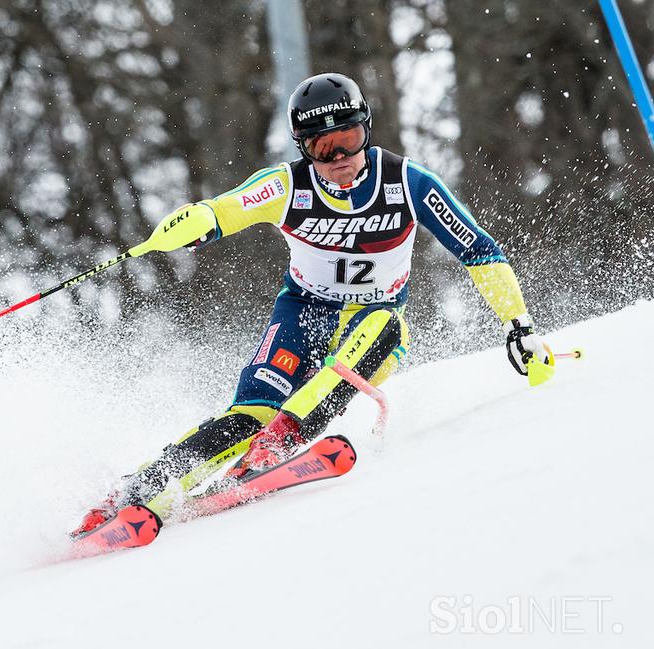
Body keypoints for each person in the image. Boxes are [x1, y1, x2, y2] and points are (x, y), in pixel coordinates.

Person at [72, 72, 549, 537]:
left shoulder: (409, 182)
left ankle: (279, 443)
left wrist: (519, 324)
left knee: (380, 327)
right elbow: (228, 208)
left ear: (367, 129)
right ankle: (137, 490)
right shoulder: (286, 185)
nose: (341, 156)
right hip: (302, 312)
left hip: (374, 321)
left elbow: (479, 250)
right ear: (304, 147)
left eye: (350, 138)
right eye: (324, 147)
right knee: (251, 414)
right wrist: (197, 220)